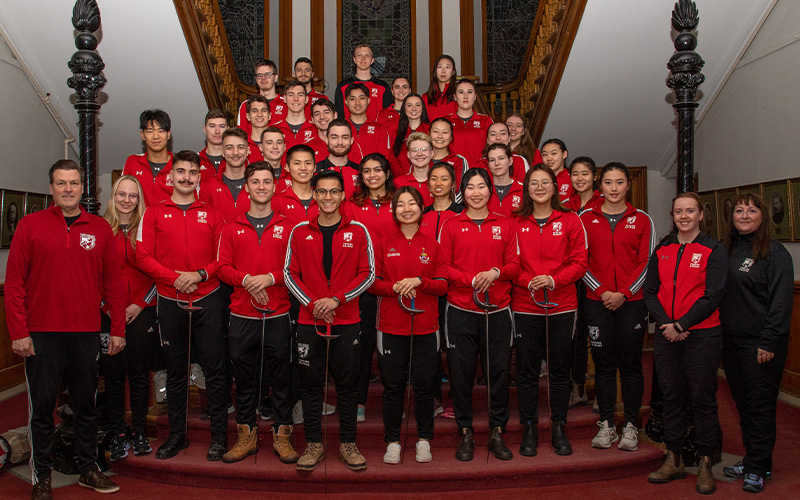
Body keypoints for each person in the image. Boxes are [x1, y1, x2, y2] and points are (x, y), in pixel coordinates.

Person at [6, 159, 125, 497]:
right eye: (61, 183)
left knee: (87, 406)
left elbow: (113, 285)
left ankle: (89, 468)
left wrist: (117, 329)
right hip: (40, 335)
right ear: (52, 188)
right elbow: (14, 284)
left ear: (83, 187)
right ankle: (41, 477)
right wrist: (18, 332)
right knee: (42, 408)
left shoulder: (100, 228)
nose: (68, 189)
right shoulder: (30, 226)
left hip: (86, 333)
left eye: (74, 183)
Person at [136, 150, 228, 461]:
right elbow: (143, 256)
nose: (186, 177)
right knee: (175, 371)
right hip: (170, 299)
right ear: (170, 176)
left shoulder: (214, 214)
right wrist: (175, 278)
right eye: (181, 172)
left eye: (192, 172)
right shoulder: (153, 213)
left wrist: (199, 274)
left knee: (215, 371)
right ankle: (177, 435)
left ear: (199, 178)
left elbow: (222, 258)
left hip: (208, 297)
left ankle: (219, 437)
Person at [284, 169, 376, 472]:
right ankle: (313, 444)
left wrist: (337, 300)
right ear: (314, 194)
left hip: (347, 319)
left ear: (343, 195)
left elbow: (369, 274)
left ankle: (348, 443)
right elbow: (289, 273)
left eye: (333, 191)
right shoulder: (299, 231)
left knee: (348, 387)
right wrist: (313, 304)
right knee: (311, 387)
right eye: (321, 192)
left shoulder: (359, 230)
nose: (327, 197)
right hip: (309, 321)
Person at [644, 192, 727, 495]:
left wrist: (682, 324)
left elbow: (713, 295)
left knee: (702, 397)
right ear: (673, 215)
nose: (684, 216)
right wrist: (667, 324)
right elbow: (650, 290)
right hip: (667, 335)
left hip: (702, 335)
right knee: (672, 397)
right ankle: (673, 457)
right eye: (679, 211)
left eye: (690, 211)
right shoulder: (663, 248)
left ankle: (705, 461)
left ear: (701, 215)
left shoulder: (713, 250)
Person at [216, 162, 299, 464]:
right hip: (242, 316)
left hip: (278, 315)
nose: (261, 186)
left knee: (281, 379)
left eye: (267, 181)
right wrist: (248, 281)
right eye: (255, 182)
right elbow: (223, 268)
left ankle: (282, 436)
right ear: (247, 187)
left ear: (275, 186)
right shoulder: (231, 227)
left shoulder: (289, 227)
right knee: (245, 380)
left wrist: (270, 278)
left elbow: (295, 268)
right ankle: (246, 437)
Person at [439, 168, 520, 461]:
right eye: (470, 187)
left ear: (490, 190)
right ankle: (466, 432)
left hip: (497, 311)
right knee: (461, 376)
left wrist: (495, 272)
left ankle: (497, 432)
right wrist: (470, 279)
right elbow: (442, 267)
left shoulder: (505, 224)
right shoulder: (450, 224)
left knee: (498, 374)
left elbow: (514, 265)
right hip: (461, 310)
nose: (476, 192)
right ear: (463, 192)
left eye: (481, 186)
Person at [720, 193, 793, 493]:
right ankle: (753, 458)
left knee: (761, 406)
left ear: (763, 216)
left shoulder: (775, 254)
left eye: (752, 210)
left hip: (761, 346)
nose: (745, 215)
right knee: (743, 404)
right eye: (739, 210)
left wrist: (768, 342)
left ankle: (758, 466)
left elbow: (780, 305)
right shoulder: (727, 251)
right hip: (730, 343)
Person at [512, 164, 587, 457]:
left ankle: (559, 426)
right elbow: (509, 262)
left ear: (556, 187)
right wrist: (526, 280)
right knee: (528, 372)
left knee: (558, 372)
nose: (540, 187)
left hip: (562, 305)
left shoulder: (570, 220)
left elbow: (580, 262)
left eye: (546, 182)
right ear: (527, 189)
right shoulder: (516, 222)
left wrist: (554, 280)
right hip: (525, 305)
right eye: (534, 183)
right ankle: (529, 427)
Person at [370, 186, 448, 464]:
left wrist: (420, 282)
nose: (406, 208)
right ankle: (392, 441)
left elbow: (442, 285)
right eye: (400, 204)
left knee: (425, 386)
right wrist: (395, 288)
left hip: (427, 327)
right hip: (391, 327)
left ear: (421, 209)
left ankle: (424, 439)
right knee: (393, 387)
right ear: (394, 211)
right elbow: (374, 284)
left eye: (412, 203)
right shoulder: (383, 243)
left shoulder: (433, 244)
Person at [580, 163, 655, 452]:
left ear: (627, 186)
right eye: (608, 182)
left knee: (632, 365)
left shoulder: (643, 219)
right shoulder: (586, 218)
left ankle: (632, 425)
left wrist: (623, 293)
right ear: (600, 186)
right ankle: (607, 424)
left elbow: (647, 261)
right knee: (603, 365)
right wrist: (601, 292)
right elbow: (579, 260)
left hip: (632, 304)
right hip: (596, 303)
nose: (613, 188)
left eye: (619, 182)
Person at [101, 176, 158, 462]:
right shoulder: (100, 230)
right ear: (113, 197)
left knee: (138, 377)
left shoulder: (147, 230)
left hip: (142, 312)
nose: (126, 200)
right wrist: (108, 308)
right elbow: (92, 275)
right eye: (121, 194)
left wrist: (139, 305)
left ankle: (138, 432)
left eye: (132, 196)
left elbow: (159, 273)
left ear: (139, 199)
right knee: (113, 378)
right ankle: (117, 433)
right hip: (109, 316)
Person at [348, 153, 397, 423]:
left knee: (394, 343)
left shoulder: (400, 200)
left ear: (387, 173)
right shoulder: (353, 205)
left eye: (378, 170)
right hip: (364, 284)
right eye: (366, 171)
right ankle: (359, 400)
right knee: (364, 344)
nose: (373, 175)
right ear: (361, 177)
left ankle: (397, 398)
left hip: (395, 282)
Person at [122, 109, 174, 207]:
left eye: (161, 131)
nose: (155, 136)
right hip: (138, 221)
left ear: (168, 134)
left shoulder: (179, 165)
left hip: (170, 221)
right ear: (142, 135)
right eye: (150, 131)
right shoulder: (132, 162)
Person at [199, 127, 252, 223]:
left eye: (240, 147)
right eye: (229, 148)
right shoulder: (209, 185)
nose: (235, 153)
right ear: (222, 152)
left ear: (247, 151)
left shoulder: (258, 184)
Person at [334, 44, 392, 122]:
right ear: (354, 59)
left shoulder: (383, 87)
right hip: (349, 132)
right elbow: (339, 115)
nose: (363, 59)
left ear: (372, 60)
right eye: (359, 55)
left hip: (376, 131)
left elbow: (387, 116)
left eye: (367, 56)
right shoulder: (342, 86)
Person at [447, 79, 493, 166]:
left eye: (470, 92)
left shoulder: (486, 120)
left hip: (479, 172)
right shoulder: (445, 121)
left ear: (475, 96)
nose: (465, 96)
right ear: (455, 97)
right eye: (461, 92)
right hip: (452, 172)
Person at [272, 144, 320, 227]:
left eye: (308, 163)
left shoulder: (324, 197)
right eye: (297, 163)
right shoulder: (277, 201)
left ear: (315, 167)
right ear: (287, 167)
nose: (303, 168)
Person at [344, 83, 392, 161]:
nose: (357, 103)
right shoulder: (339, 128)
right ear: (346, 102)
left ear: (368, 100)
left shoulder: (380, 129)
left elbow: (383, 160)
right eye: (352, 99)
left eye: (362, 98)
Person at [315, 119, 361, 198]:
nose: (340, 142)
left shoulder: (360, 171)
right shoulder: (315, 171)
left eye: (345, 137)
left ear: (351, 140)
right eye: (334, 137)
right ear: (326, 140)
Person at [237, 59, 285, 132]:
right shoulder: (246, 105)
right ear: (256, 80)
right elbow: (241, 136)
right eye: (259, 75)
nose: (263, 78)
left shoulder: (286, 104)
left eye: (267, 74)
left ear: (275, 78)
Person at [388, 94, 431, 177]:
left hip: (426, 177)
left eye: (417, 105)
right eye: (409, 105)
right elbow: (393, 157)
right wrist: (401, 175)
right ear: (404, 108)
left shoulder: (430, 130)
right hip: (402, 178)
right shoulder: (397, 132)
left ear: (423, 108)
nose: (414, 108)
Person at [420, 162, 462, 240]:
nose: (438, 183)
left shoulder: (462, 213)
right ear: (429, 184)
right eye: (434, 179)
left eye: (444, 179)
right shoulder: (422, 214)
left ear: (453, 184)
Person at [429, 117, 469, 201]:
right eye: (435, 132)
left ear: (451, 137)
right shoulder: (420, 159)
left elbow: (462, 191)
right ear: (428, 134)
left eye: (445, 132)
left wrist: (447, 207)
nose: (440, 136)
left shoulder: (459, 161)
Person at [275, 81, 319, 152]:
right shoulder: (275, 129)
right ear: (285, 99)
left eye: (300, 95)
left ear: (306, 99)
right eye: (291, 95)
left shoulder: (316, 130)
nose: (296, 99)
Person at [395, 132, 435, 204]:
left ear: (432, 153)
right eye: (414, 150)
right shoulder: (398, 183)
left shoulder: (438, 183)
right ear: (408, 155)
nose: (419, 154)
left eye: (424, 149)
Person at [485, 144, 523, 217]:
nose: (497, 163)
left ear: (510, 161)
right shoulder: (483, 189)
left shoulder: (523, 189)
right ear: (488, 164)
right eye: (492, 160)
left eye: (501, 158)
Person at [423, 55, 458, 120]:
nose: (443, 71)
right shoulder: (426, 97)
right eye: (439, 67)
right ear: (435, 71)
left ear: (453, 72)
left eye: (447, 67)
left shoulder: (458, 96)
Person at [259, 126, 292, 193]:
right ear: (261, 147)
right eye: (269, 143)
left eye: (279, 143)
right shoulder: (254, 175)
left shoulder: (292, 175)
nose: (275, 147)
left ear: (284, 147)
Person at [199, 108, 229, 181]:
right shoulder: (195, 160)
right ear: (205, 129)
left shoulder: (235, 159)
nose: (217, 131)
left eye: (222, 126)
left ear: (228, 130)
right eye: (212, 126)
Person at [244, 96, 270, 163]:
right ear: (248, 116)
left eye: (263, 110)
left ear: (269, 116)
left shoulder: (279, 144)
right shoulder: (243, 145)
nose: (259, 114)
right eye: (254, 111)